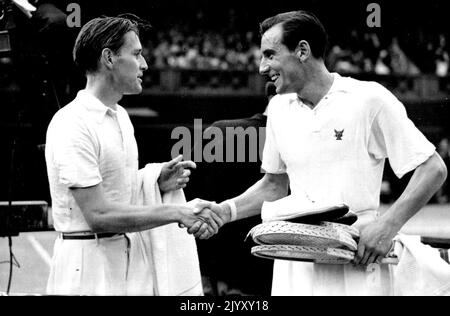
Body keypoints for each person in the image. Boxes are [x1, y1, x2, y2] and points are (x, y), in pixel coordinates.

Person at [191, 10, 448, 295]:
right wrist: (225, 211)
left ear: (302, 50)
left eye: (270, 54)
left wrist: (388, 226)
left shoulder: (368, 98)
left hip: (356, 258)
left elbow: (433, 168)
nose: (263, 66)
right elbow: (275, 184)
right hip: (293, 266)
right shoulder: (277, 108)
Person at [44, 15, 218, 296]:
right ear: (109, 58)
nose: (144, 64)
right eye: (137, 54)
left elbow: (114, 190)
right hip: (86, 266)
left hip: (129, 259)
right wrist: (176, 213)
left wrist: (155, 180)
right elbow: (99, 214)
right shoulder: (71, 124)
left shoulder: (122, 117)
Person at [185, 82, 276, 295]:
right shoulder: (298, 142)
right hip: (266, 273)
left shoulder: (220, 132)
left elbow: (188, 204)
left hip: (220, 272)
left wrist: (205, 272)